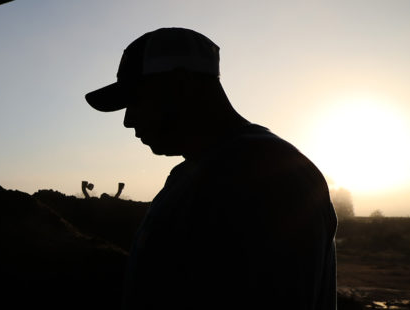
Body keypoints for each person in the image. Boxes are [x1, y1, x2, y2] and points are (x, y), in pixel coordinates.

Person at [85, 28, 337, 310]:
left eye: (135, 101)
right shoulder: (197, 171)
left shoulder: (266, 174)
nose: (128, 121)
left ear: (180, 85)